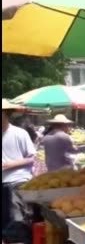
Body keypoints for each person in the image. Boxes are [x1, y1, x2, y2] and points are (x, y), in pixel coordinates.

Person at [2, 99, 37, 232]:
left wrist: (10, 164)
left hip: (17, 180)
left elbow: (32, 158)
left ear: (6, 114)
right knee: (5, 220)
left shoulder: (19, 133)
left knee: (16, 219)